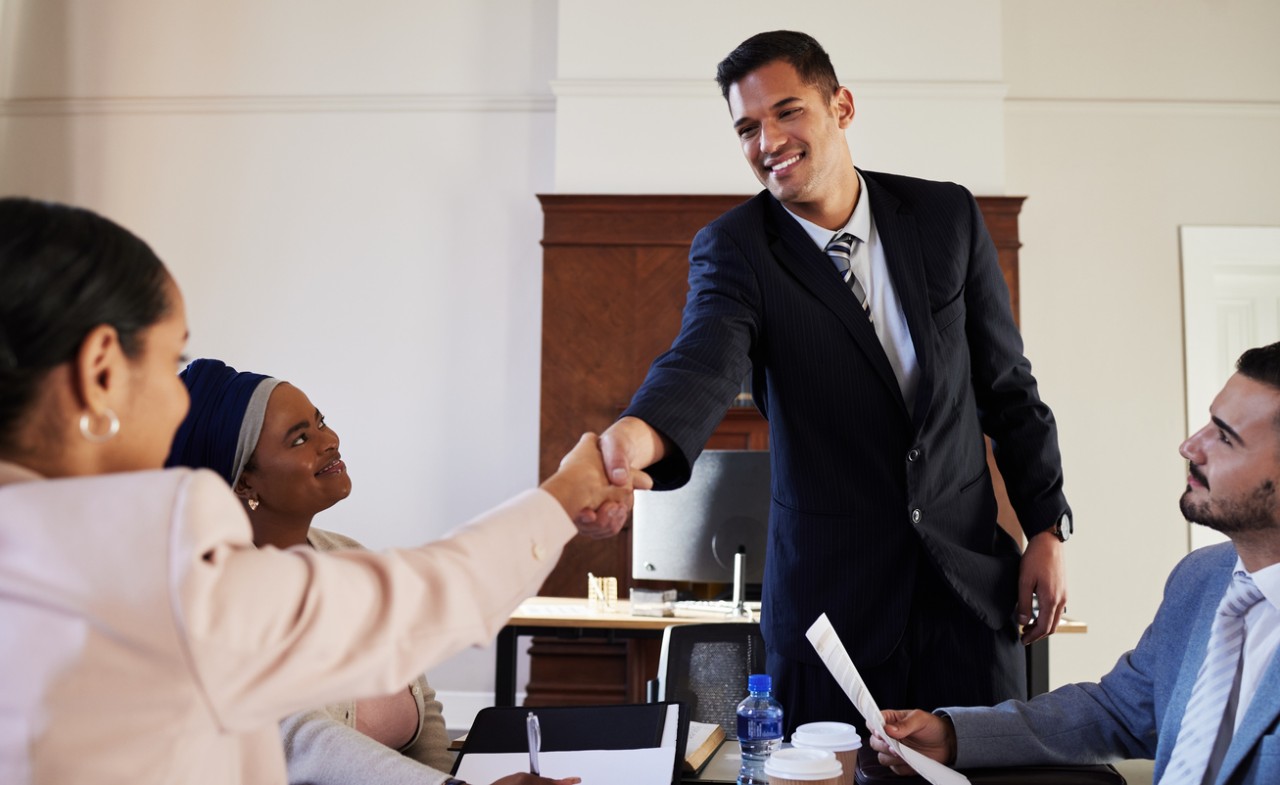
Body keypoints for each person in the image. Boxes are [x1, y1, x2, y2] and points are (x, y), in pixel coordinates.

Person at [0, 196, 645, 785]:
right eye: (172, 362)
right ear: (102, 369)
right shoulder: (152, 554)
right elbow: (424, 600)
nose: (178, 400)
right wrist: (564, 496)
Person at [594, 30, 1072, 733]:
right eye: (748, 127)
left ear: (841, 106)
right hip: (831, 617)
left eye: (788, 112)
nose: (768, 141)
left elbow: (1008, 387)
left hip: (966, 600)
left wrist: (1045, 528)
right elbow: (702, 360)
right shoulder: (735, 250)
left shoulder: (946, 218)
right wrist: (632, 441)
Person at [871, 343, 1280, 785]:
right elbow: (1119, 712)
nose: (1189, 446)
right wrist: (954, 735)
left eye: (1225, 437)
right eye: (1209, 422)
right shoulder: (1201, 577)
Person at [164, 357, 541, 785]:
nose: (329, 440)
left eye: (320, 421)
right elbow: (305, 740)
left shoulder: (346, 553)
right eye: (299, 438)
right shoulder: (222, 593)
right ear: (246, 482)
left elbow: (425, 711)